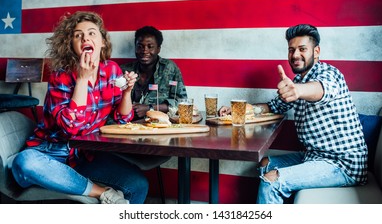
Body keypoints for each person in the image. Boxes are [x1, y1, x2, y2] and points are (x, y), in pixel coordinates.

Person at [219, 24, 368, 204]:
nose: (295, 55)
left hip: (343, 164)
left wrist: (298, 90)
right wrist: (239, 110)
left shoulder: (330, 74)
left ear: (317, 51)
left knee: (272, 181)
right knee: (265, 163)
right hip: (313, 156)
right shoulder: (297, 80)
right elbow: (272, 106)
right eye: (291, 50)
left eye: (302, 49)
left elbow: (321, 90)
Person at [11, 11, 148, 204]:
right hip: (49, 154)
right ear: (72, 46)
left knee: (138, 185)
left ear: (102, 42)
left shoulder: (112, 71)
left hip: (85, 156)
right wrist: (82, 80)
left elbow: (122, 119)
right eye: (78, 35)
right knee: (25, 162)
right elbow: (71, 129)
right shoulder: (61, 76)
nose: (85, 37)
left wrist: (127, 92)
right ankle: (101, 191)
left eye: (92, 33)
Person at [120, 26, 187, 120]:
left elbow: (182, 103)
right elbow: (113, 102)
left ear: (158, 49)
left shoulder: (170, 69)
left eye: (150, 46)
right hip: (127, 126)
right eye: (140, 46)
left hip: (159, 127)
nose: (144, 51)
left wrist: (150, 108)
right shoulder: (124, 70)